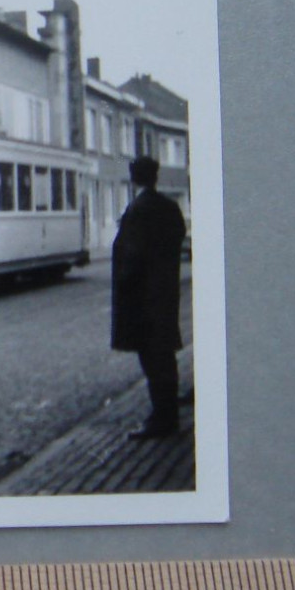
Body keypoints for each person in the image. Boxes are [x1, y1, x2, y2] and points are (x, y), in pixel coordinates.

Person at [111, 155, 188, 440]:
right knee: (165, 356)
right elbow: (177, 237)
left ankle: (162, 419)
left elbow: (131, 257)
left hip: (142, 299)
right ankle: (168, 415)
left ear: (134, 178)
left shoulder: (138, 209)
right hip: (165, 293)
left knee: (152, 358)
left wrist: (124, 284)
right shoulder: (169, 207)